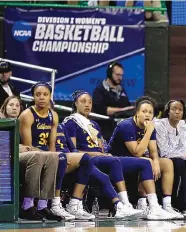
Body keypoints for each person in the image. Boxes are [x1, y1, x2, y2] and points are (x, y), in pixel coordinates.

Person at [64, 91, 175, 220]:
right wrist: (99, 153)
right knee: (119, 161)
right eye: (83, 102)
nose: (87, 105)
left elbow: (102, 146)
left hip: (104, 157)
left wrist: (104, 152)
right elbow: (73, 150)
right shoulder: (71, 123)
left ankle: (153, 206)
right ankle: (124, 204)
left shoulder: (94, 124)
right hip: (88, 159)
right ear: (76, 104)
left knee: (146, 162)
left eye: (90, 102)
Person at [108, 96, 182, 219]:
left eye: (150, 112)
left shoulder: (150, 127)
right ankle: (144, 205)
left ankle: (166, 205)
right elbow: (136, 152)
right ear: (137, 113)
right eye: (144, 111)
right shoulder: (126, 125)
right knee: (147, 162)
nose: (147, 115)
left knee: (167, 163)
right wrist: (148, 132)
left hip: (136, 159)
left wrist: (157, 163)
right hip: (116, 159)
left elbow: (153, 151)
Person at [18, 82, 69, 221]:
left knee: (54, 157)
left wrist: (52, 156)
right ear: (33, 97)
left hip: (42, 153)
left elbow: (52, 144)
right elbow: (28, 146)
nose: (41, 97)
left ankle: (42, 206)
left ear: (50, 96)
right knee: (40, 156)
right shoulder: (27, 115)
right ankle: (27, 205)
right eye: (38, 94)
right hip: (25, 153)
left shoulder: (54, 115)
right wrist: (47, 155)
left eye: (45, 94)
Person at [154, 100, 186, 218]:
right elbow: (164, 152)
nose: (177, 112)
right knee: (179, 163)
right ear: (168, 111)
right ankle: (181, 205)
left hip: (178, 157)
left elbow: (183, 148)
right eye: (174, 109)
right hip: (161, 159)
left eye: (180, 110)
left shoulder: (182, 124)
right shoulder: (160, 125)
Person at [92, 62, 135, 140]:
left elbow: (128, 108)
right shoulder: (99, 90)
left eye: (121, 75)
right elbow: (101, 110)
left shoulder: (122, 90)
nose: (120, 78)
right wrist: (122, 110)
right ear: (109, 74)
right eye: (117, 75)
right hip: (103, 132)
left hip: (120, 132)